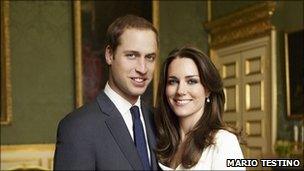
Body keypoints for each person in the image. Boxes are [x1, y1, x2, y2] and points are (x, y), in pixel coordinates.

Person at [54, 15, 159, 170]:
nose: (142, 68)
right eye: (131, 56)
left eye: (149, 57)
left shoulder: (159, 121)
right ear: (110, 55)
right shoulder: (77, 128)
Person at [155, 46, 245, 170]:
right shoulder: (161, 140)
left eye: (191, 81)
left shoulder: (224, 142)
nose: (180, 91)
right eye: (173, 81)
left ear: (207, 90)